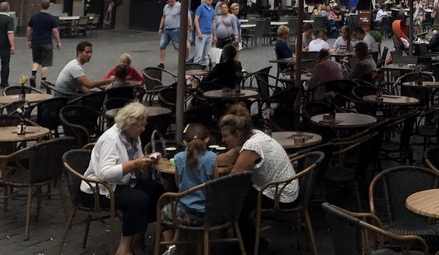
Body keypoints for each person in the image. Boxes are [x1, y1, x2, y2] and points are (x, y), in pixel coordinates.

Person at [83, 101, 163, 255]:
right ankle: (123, 248)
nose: (143, 129)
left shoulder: (133, 136)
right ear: (128, 123)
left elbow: (137, 160)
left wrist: (148, 160)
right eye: (139, 126)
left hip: (124, 181)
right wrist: (135, 164)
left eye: (143, 125)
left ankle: (138, 239)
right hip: (101, 187)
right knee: (138, 199)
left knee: (156, 190)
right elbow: (104, 174)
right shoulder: (111, 139)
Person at [218, 105, 298, 255]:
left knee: (234, 201)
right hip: (285, 185)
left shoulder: (252, 146)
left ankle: (249, 245)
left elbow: (233, 179)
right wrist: (203, 160)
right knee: (238, 198)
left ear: (236, 134)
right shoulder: (253, 134)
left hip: (280, 193)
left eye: (225, 136)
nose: (222, 140)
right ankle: (251, 241)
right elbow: (228, 157)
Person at [160, 124, 218, 252]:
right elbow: (216, 184)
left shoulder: (179, 158)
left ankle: (171, 247)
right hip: (209, 213)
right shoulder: (212, 158)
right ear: (206, 140)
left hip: (185, 212)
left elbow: (177, 184)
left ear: (184, 142)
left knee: (164, 209)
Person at [26, 0, 61, 87]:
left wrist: (29, 40)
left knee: (36, 60)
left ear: (40, 6)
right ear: (49, 6)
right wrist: (58, 41)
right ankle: (43, 82)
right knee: (45, 63)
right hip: (47, 42)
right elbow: (55, 31)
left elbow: (29, 29)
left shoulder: (34, 17)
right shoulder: (51, 18)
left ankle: (33, 75)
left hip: (36, 41)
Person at [158, 0, 188, 68]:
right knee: (162, 46)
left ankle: (184, 61)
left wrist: (188, 25)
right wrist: (160, 28)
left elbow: (186, 15)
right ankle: (161, 63)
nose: (170, 0)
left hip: (176, 30)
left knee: (178, 47)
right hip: (166, 30)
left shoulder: (179, 6)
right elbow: (163, 17)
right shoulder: (165, 7)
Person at [190, 0, 216, 65]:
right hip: (202, 33)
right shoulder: (200, 8)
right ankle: (195, 70)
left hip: (209, 33)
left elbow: (212, 22)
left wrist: (214, 35)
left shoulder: (212, 10)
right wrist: (199, 31)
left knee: (207, 55)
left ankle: (204, 70)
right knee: (199, 55)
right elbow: (196, 20)